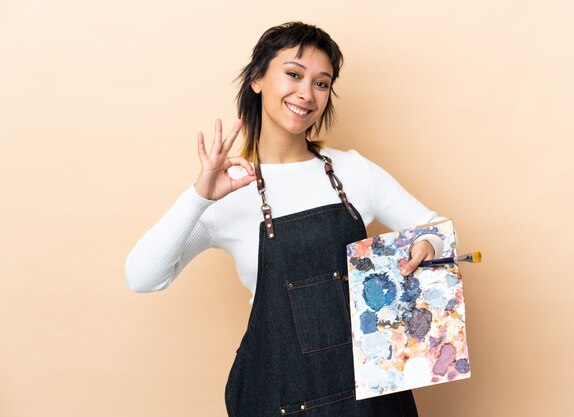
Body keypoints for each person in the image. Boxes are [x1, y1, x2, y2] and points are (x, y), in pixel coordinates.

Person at [125, 21, 446, 417]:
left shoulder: (354, 172)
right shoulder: (227, 191)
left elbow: (439, 230)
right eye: (293, 74)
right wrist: (198, 197)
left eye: (322, 83)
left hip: (370, 399)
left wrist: (428, 244)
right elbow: (142, 277)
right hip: (279, 399)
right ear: (257, 78)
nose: (306, 93)